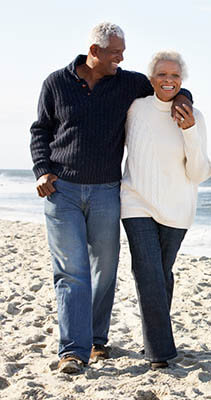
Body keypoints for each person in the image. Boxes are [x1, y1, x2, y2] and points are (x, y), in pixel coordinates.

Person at [30, 23, 193, 374]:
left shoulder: (126, 83)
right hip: (62, 191)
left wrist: (184, 98)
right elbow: (40, 130)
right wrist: (42, 169)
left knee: (103, 271)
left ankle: (96, 340)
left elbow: (167, 85)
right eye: (115, 52)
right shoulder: (55, 83)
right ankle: (73, 351)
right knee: (72, 272)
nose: (122, 57)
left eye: (122, 51)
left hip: (107, 190)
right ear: (94, 51)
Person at [121, 51, 211, 370]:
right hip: (136, 201)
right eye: (162, 74)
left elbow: (199, 172)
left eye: (175, 76)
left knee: (160, 275)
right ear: (151, 78)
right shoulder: (135, 109)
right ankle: (160, 352)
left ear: (182, 80)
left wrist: (188, 131)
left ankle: (154, 337)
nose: (168, 80)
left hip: (177, 207)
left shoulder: (194, 116)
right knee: (147, 272)